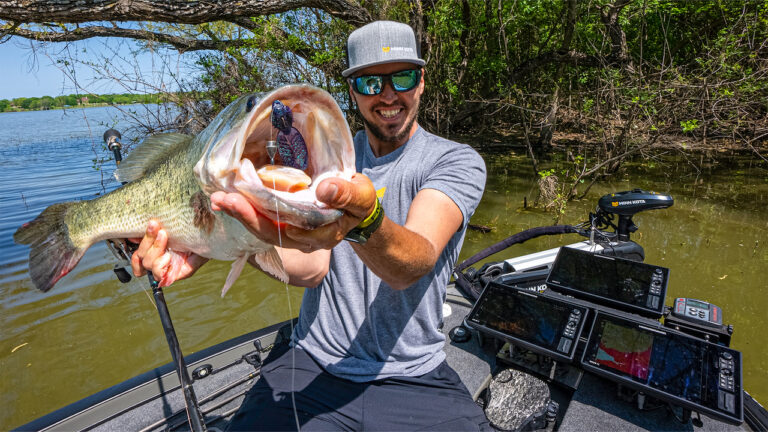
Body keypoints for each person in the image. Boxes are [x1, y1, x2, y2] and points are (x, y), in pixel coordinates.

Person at [131, 20, 489, 431]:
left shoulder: (455, 160)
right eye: (371, 83)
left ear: (421, 82)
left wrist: (362, 220)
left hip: (412, 374)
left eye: (402, 77)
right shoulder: (324, 158)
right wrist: (236, 235)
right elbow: (311, 268)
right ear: (353, 91)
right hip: (313, 361)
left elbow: (411, 264)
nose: (388, 95)